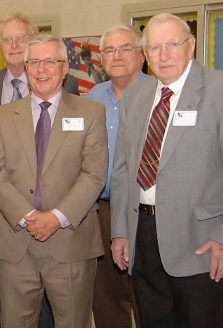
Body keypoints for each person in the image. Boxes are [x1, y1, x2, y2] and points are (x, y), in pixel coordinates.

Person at [110, 13, 223, 328]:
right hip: (143, 237)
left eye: (172, 45)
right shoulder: (136, 96)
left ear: (190, 46)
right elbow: (123, 171)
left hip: (203, 241)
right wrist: (121, 231)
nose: (163, 56)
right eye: (154, 47)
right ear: (145, 54)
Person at [0, 34, 107, 328]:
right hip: (16, 243)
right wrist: (28, 216)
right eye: (35, 62)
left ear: (65, 68)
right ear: (26, 67)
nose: (42, 69)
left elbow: (94, 174)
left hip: (71, 242)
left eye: (50, 61)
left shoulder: (91, 114)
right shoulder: (1, 117)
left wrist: (56, 217)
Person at [85, 24, 145, 328]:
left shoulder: (156, 95)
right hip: (101, 210)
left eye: (126, 48)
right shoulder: (94, 97)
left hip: (143, 208)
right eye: (110, 49)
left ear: (142, 54)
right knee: (106, 297)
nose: (117, 55)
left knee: (146, 293)